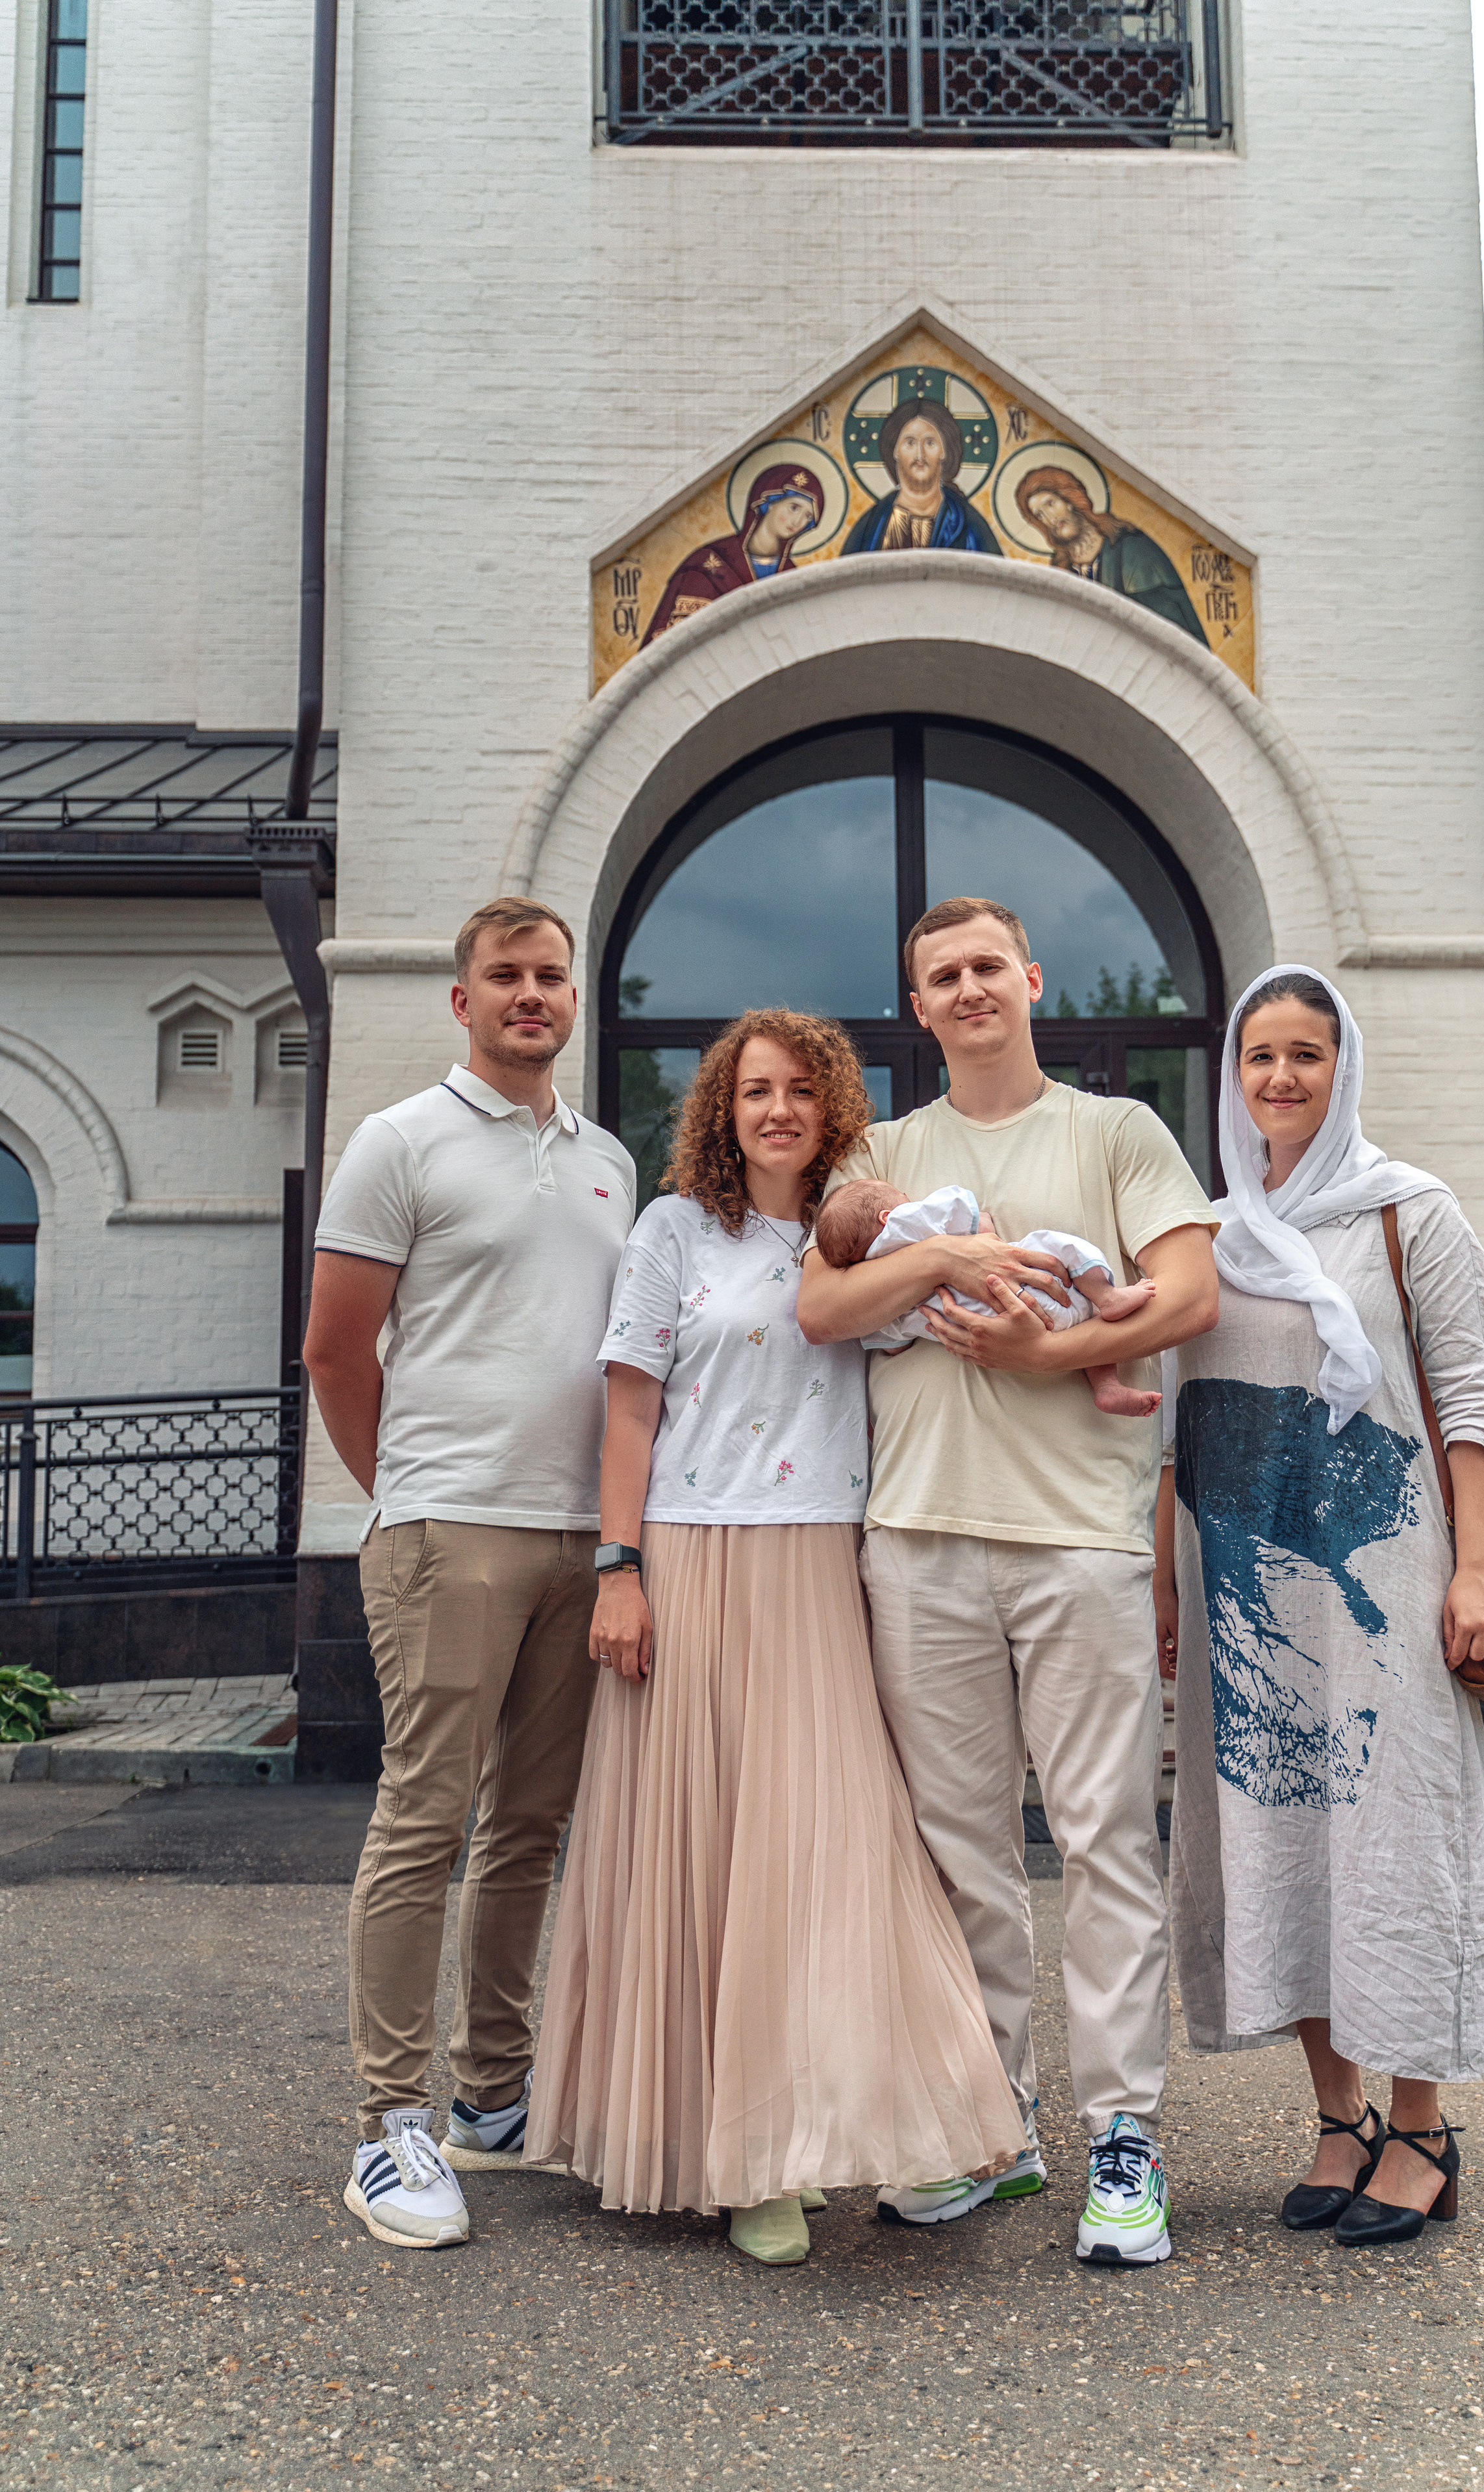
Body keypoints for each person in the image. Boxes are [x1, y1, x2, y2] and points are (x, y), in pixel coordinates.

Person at [525, 1009, 1024, 2264]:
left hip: (821, 1563)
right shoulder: (673, 1231)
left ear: (832, 1106)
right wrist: (619, 1569)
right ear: (724, 1108)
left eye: (802, 1089)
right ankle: (740, 2164)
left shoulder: (859, 1238)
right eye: (756, 1090)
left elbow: (928, 1325)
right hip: (688, 1559)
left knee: (832, 1850)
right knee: (704, 1855)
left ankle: (832, 2127)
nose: (779, 1109)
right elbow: (627, 1412)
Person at [796, 898, 1219, 2266]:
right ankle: (994, 2123)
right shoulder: (882, 1154)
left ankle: (1124, 2136)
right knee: (960, 1848)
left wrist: (1046, 1356)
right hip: (918, 1536)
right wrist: (950, 1257)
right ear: (917, 1005)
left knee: (1105, 1838)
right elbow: (820, 1305)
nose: (969, 987)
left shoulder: (1117, 1132)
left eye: (988, 965)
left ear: (1030, 980)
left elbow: (1187, 1293)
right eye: (943, 975)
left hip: (1080, 1538)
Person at [303, 897, 635, 2251]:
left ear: (573, 997)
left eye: (550, 974)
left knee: (529, 1825)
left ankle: (490, 2097)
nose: (530, 993)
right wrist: (414, 1490)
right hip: (451, 1529)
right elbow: (335, 1350)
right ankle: (389, 2123)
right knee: (425, 1816)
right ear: (463, 999)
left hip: (580, 1536)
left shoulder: (609, 1159)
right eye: (505, 975)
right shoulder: (400, 1141)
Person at [1161, 966, 1484, 2247]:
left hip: (1387, 1584)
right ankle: (1336, 2115)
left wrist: (1476, 1568)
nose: (1281, 1077)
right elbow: (1170, 1429)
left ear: (1341, 1065)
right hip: (1238, 1584)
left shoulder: (1409, 1213)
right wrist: (1161, 1583)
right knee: (1278, 1829)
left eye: (1305, 1053)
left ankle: (1419, 2124)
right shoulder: (1208, 1234)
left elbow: (1470, 1394)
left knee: (1391, 1830)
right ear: (1232, 1075)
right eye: (1259, 1055)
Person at [814, 1176, 1162, 1416]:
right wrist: (979, 1225)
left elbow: (893, 1346)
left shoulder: (883, 1300)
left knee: (1081, 1325)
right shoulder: (904, 1224)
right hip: (1041, 1292)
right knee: (1054, 1245)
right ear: (887, 1216)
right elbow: (979, 1223)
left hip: (990, 1333)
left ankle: (1107, 1388)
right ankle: (1106, 1296)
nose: (909, 1200)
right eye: (902, 1197)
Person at [1014, 466, 1208, 646]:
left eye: (1051, 504)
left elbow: (1169, 622)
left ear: (1070, 500)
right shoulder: (1062, 569)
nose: (1050, 519)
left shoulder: (1131, 547)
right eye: (1040, 515)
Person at [642, 464, 824, 642]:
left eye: (808, 517)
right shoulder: (708, 563)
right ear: (769, 502)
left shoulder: (791, 577)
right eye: (794, 508)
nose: (798, 521)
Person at [840, 399, 1003, 555]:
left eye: (930, 443)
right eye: (910, 443)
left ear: (944, 451)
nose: (920, 455)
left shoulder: (968, 525)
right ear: (895, 450)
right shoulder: (872, 527)